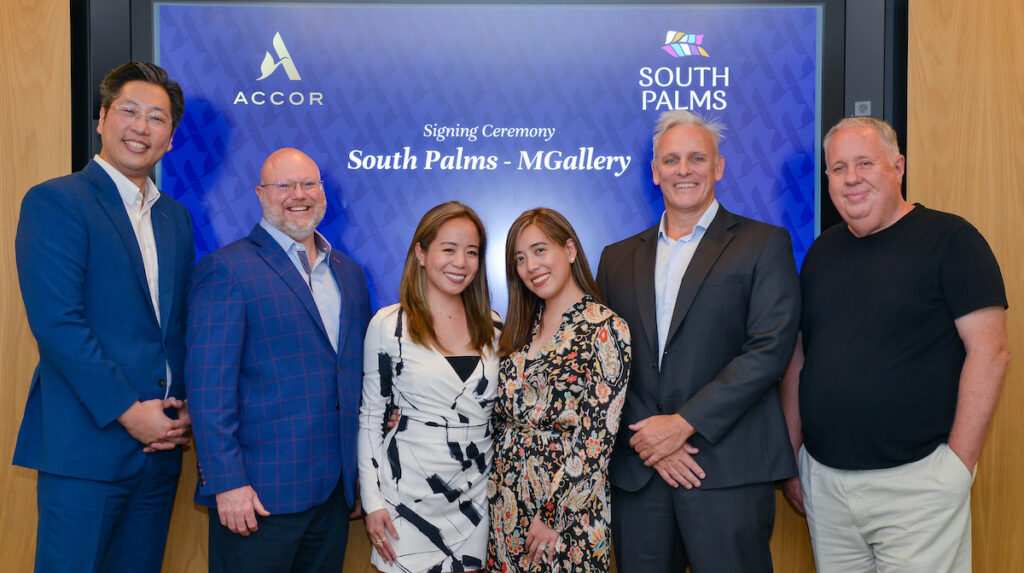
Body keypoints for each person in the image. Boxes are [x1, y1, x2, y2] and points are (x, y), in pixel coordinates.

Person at [780, 117, 1010, 572]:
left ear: (897, 166)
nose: (852, 178)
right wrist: (792, 458)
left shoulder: (952, 239)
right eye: (839, 167)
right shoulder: (821, 253)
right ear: (827, 178)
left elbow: (992, 352)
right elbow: (800, 357)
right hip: (826, 485)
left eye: (865, 163)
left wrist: (957, 468)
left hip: (918, 484)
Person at [596, 109, 801, 572]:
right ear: (654, 172)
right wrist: (653, 438)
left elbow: (769, 349)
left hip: (727, 470)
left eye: (696, 158)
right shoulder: (617, 258)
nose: (683, 170)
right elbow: (605, 362)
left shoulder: (763, 243)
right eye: (671, 160)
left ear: (719, 166)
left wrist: (682, 425)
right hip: (642, 472)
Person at [13, 62, 193, 572]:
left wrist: (187, 408)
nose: (141, 127)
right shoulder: (57, 201)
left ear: (171, 139)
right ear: (101, 118)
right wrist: (130, 413)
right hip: (86, 450)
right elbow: (59, 326)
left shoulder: (175, 217)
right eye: (128, 111)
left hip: (158, 454)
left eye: (156, 118)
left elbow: (175, 327)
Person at [185, 148, 371, 572]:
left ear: (322, 192)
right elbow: (209, 389)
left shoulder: (350, 274)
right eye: (284, 185)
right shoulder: (227, 270)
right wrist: (227, 482)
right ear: (261, 194)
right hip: (257, 498)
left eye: (308, 183)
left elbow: (352, 381)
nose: (298, 194)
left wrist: (358, 476)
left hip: (333, 497)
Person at [358, 201, 501, 573]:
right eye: (448, 249)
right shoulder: (388, 325)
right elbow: (372, 418)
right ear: (421, 253)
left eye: (472, 252)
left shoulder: (495, 326)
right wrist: (372, 502)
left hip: (475, 498)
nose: (461, 262)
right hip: (405, 499)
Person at [487, 208, 631, 572]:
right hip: (505, 503)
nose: (530, 266)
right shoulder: (518, 329)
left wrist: (552, 515)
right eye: (520, 258)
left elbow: (596, 439)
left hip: (567, 511)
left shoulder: (606, 328)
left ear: (569, 250)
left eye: (539, 250)